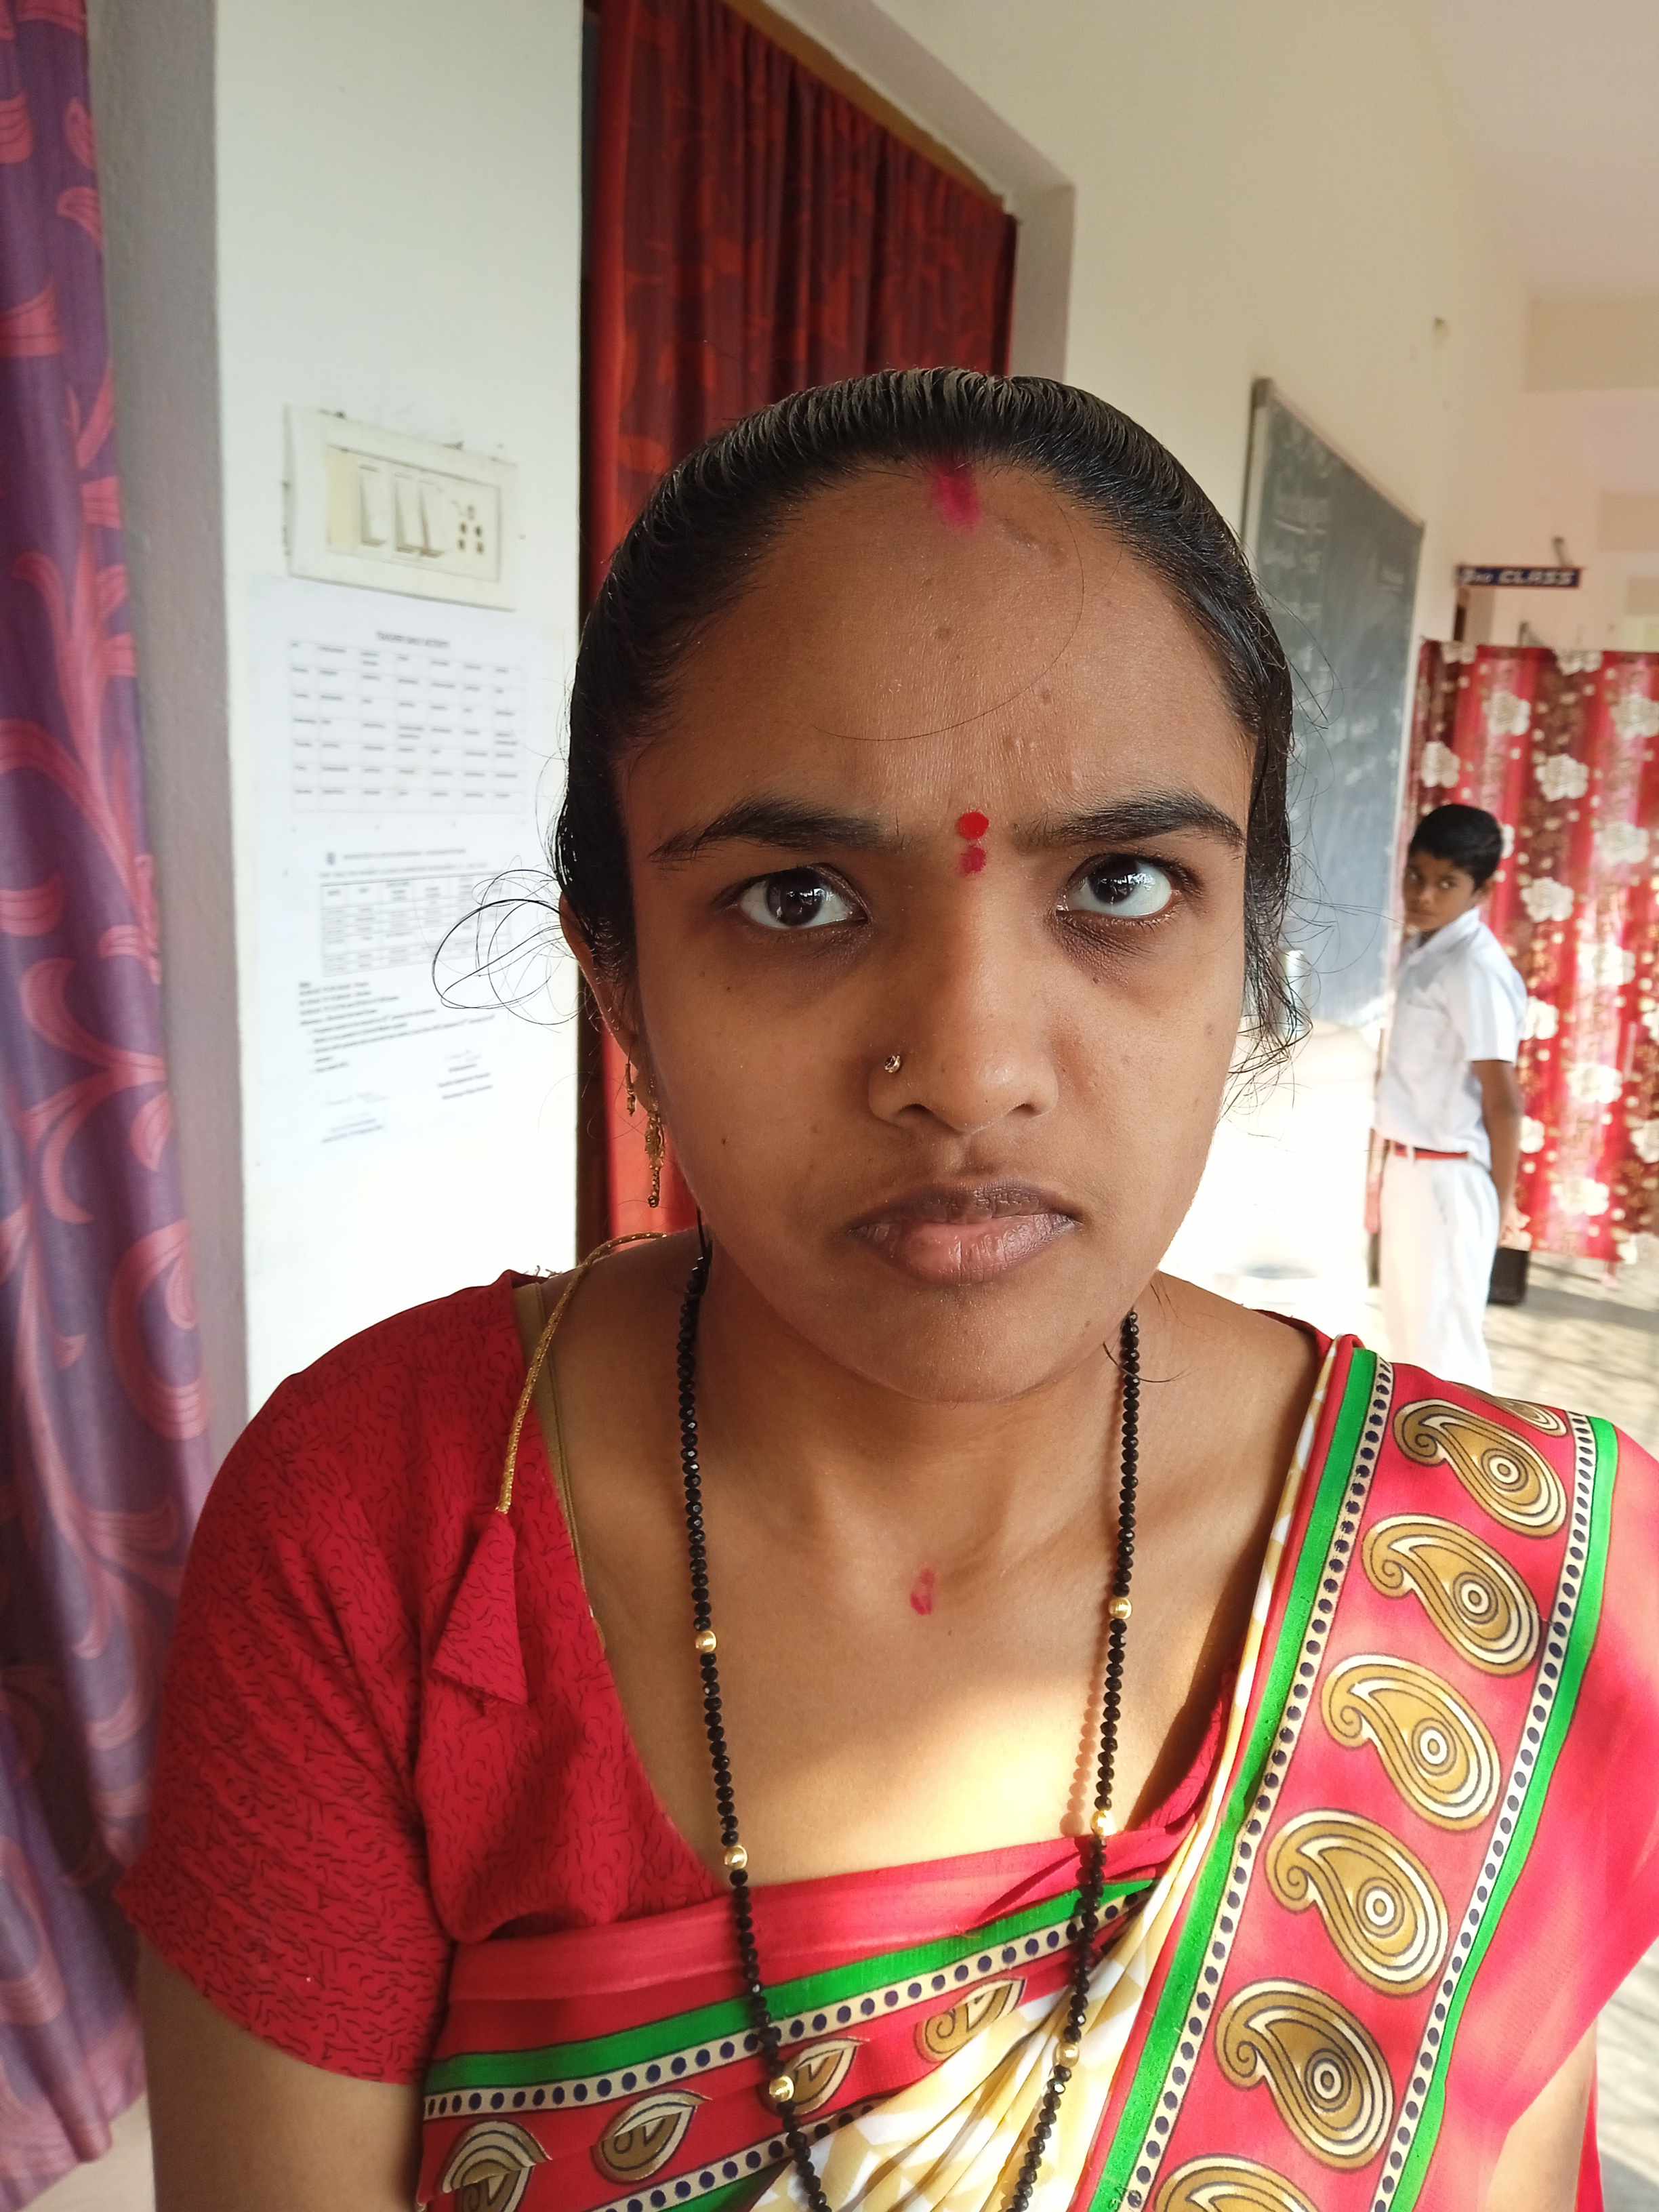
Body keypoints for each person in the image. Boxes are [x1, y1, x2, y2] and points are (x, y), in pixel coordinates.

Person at [122, 374, 1658, 2212]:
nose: (970, 1068)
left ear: (1245, 951)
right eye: (796, 898)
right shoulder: (388, 1522)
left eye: (1118, 882)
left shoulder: (1514, 1586)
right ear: (621, 984)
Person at [1371, 804, 1528, 1388]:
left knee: (1447, 1358)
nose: (1423, 894)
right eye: (1416, 875)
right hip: (1411, 1171)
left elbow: (1503, 1100)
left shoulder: (1474, 967)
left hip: (1451, 1181)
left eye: (1446, 883)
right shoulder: (1423, 951)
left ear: (1481, 891)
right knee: (1410, 1342)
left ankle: (1465, 1450)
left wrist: (1502, 1203)